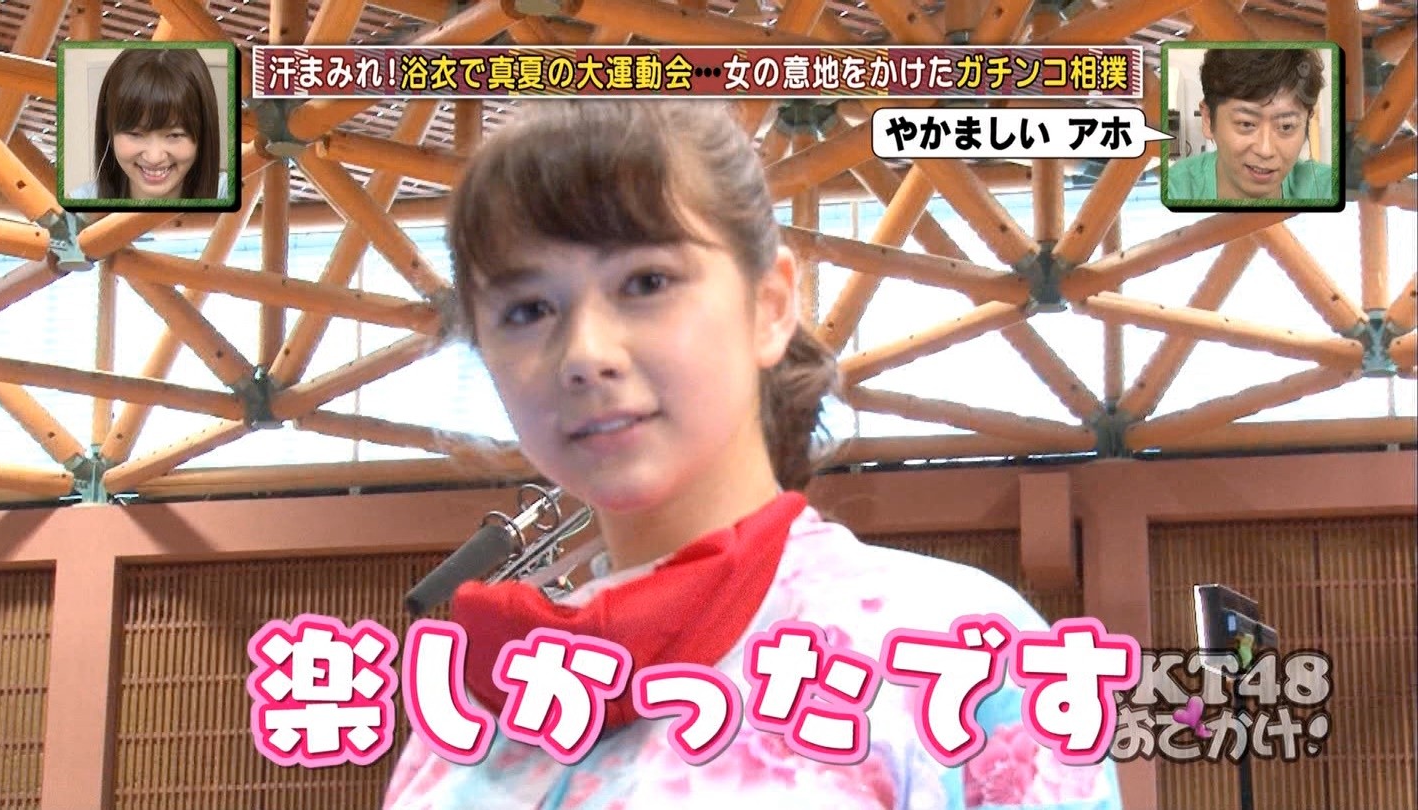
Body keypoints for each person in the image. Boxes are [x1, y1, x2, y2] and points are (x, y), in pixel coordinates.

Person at [383, 100, 1124, 809]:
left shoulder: (956, 654)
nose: (585, 354)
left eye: (646, 283)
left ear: (769, 306)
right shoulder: (477, 706)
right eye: (527, 310)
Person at [1165, 48, 1333, 202]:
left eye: (1286, 127)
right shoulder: (1172, 190)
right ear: (1208, 119)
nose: (1265, 150)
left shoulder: (1328, 188)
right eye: (1246, 124)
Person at [70, 47, 228, 201]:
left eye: (174, 135)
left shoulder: (233, 195)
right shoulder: (79, 204)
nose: (154, 158)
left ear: (203, 134)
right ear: (109, 130)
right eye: (135, 134)